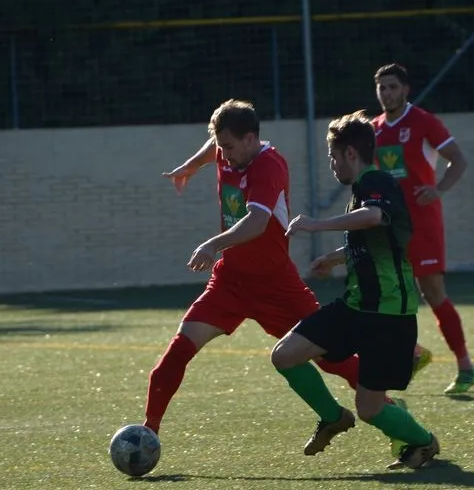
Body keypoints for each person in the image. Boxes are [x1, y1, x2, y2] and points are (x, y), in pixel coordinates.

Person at [143, 99, 366, 435]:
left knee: (334, 359)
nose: (224, 154)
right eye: (221, 147)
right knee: (176, 353)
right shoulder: (229, 150)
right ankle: (148, 432)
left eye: (229, 147)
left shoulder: (269, 165)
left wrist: (213, 244)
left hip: (277, 286)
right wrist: (190, 167)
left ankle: (389, 415)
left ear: (250, 139)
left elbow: (257, 222)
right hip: (230, 282)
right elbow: (213, 147)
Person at [274, 110, 440, 470]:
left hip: (388, 315)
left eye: (333, 155)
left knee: (370, 409)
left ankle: (424, 442)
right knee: (285, 355)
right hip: (355, 307)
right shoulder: (360, 193)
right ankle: (332, 417)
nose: (332, 164)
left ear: (350, 153)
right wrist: (335, 259)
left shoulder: (377, 180)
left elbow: (374, 217)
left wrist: (316, 225)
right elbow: (371, 239)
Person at [371, 63, 474, 395]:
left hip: (422, 223)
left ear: (406, 89)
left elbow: (458, 159)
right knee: (385, 293)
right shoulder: (374, 129)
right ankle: (414, 353)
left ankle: (465, 366)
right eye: (381, 87)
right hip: (390, 225)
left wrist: (439, 189)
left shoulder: (424, 122)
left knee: (432, 292)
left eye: (392, 86)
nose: (386, 93)